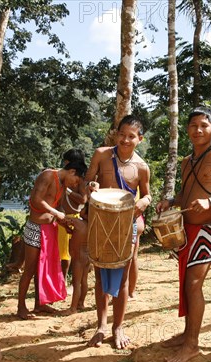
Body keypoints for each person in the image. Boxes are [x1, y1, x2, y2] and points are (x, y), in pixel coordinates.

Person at [156, 107, 211, 362]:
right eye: (193, 125)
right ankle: (186, 335)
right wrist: (171, 201)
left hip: (208, 229)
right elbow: (187, 194)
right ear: (187, 130)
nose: (198, 130)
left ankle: (192, 344)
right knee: (186, 283)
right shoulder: (186, 161)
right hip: (186, 230)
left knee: (194, 284)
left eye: (204, 125)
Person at [85, 115, 152, 349]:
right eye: (122, 134)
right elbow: (88, 181)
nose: (125, 139)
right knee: (100, 275)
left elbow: (147, 194)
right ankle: (101, 325)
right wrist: (91, 186)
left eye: (131, 136)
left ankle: (118, 327)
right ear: (116, 134)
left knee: (123, 279)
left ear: (140, 139)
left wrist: (144, 202)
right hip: (100, 222)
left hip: (126, 225)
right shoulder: (101, 155)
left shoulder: (142, 167)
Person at [17, 149, 88, 320]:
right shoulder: (48, 175)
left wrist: (65, 223)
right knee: (30, 268)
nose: (75, 184)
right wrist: (56, 213)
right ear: (72, 171)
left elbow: (59, 207)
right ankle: (21, 307)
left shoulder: (63, 185)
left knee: (42, 268)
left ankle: (39, 304)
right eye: (76, 179)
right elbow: (35, 199)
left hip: (50, 228)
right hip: (36, 226)